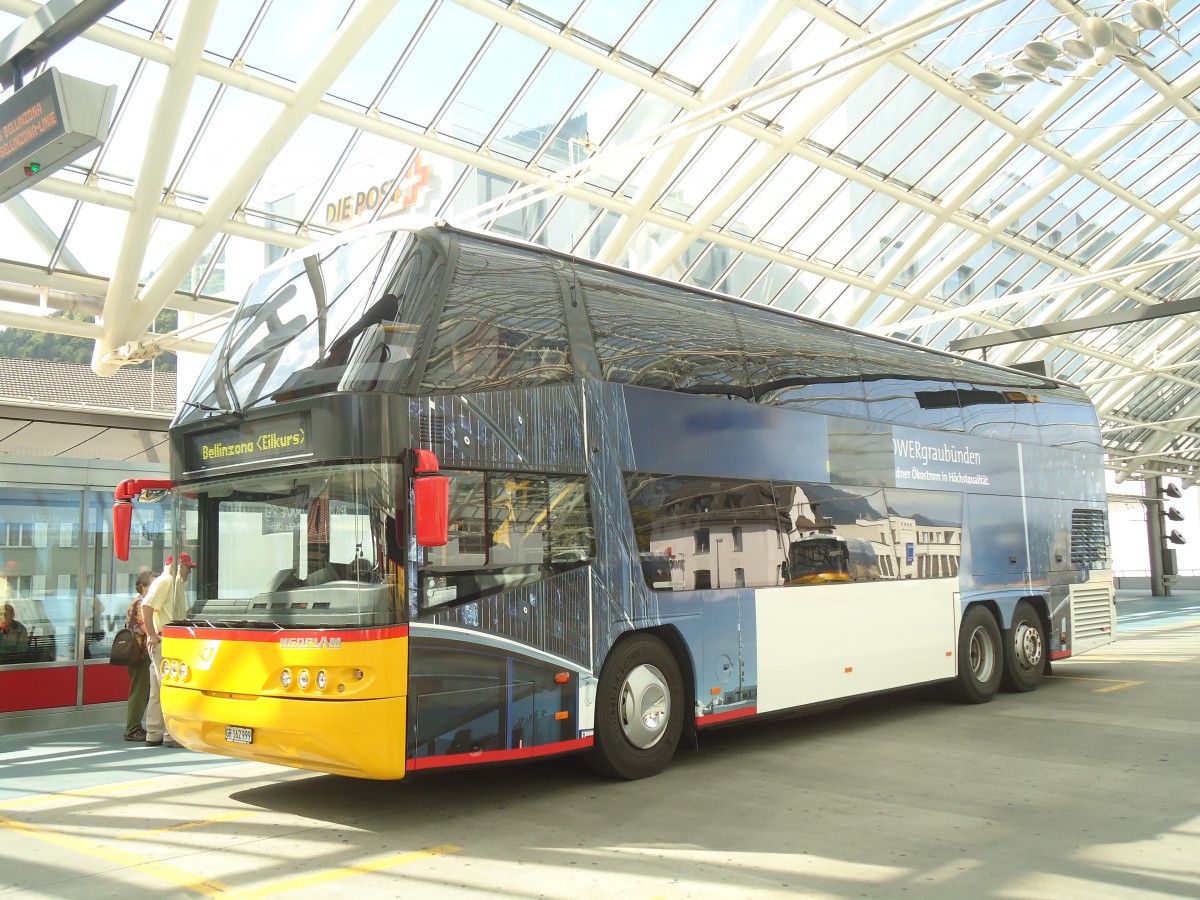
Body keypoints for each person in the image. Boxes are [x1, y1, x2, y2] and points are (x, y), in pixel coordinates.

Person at [141, 552, 196, 748]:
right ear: (178, 565)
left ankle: (154, 732)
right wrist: (152, 635)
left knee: (157, 688)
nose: (189, 572)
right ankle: (171, 734)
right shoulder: (167, 582)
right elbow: (146, 607)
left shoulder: (171, 583)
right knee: (169, 687)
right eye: (188, 567)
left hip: (161, 640)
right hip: (165, 641)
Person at [123, 570, 155, 743]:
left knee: (143, 690)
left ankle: (135, 726)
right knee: (140, 690)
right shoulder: (142, 604)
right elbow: (145, 627)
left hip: (139, 652)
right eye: (152, 584)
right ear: (142, 587)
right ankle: (132, 728)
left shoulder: (140, 603)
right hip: (141, 653)